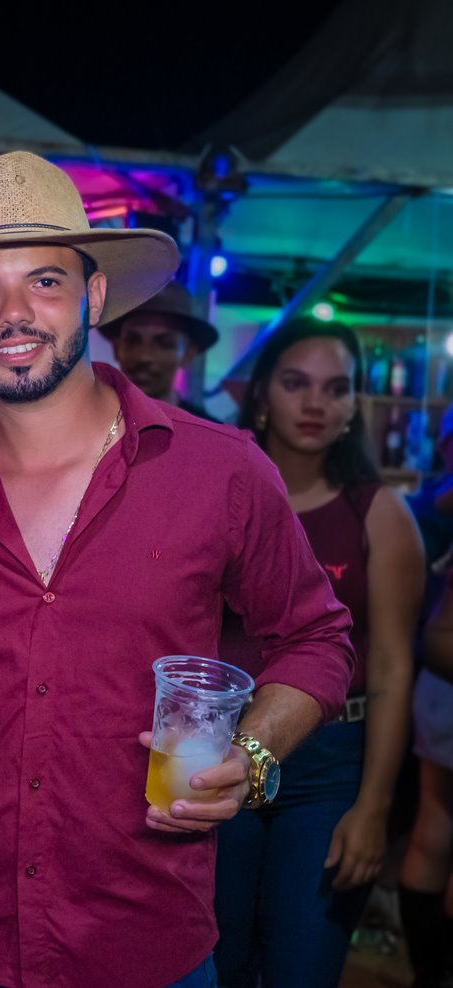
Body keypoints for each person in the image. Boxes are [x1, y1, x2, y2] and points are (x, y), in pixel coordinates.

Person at [0, 150, 355, 988]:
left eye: (45, 282)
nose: (13, 313)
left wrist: (251, 754)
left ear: (93, 297)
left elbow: (317, 638)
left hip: (146, 946)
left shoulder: (219, 471)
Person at [212, 317, 423, 986]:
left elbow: (391, 669)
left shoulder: (380, 514)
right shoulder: (217, 494)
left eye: (336, 388)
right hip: (221, 744)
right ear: (262, 392)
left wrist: (375, 808)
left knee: (302, 966)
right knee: (214, 961)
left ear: (355, 402)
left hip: (330, 763)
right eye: (296, 383)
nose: (315, 404)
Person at [410, 574, 453, 988]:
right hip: (444, 696)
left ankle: (430, 976)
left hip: (440, 695)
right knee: (432, 833)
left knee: (433, 832)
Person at [97, 279, 219, 421]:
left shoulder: (204, 431)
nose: (144, 356)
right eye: (133, 340)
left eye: (164, 343)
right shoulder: (89, 422)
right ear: (116, 347)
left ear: (188, 354)